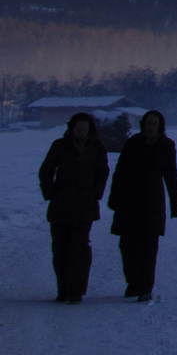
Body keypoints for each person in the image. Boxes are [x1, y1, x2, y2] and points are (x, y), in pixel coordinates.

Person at [107, 110, 177, 302]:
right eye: (148, 123)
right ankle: (133, 282)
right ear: (143, 125)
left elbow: (171, 176)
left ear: (160, 127)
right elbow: (120, 172)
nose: (150, 127)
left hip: (152, 205)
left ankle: (145, 288)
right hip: (128, 204)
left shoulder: (166, 146)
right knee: (127, 247)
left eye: (154, 124)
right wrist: (114, 198)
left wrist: (175, 201)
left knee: (149, 249)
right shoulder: (132, 143)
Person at [38, 112, 109, 303]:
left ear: (89, 130)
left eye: (84, 130)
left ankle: (77, 290)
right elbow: (46, 171)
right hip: (60, 206)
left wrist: (96, 193)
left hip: (85, 206)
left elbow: (103, 172)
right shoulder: (60, 146)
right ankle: (63, 290)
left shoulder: (97, 147)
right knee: (60, 249)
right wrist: (51, 192)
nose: (81, 133)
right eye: (78, 130)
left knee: (80, 249)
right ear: (71, 129)